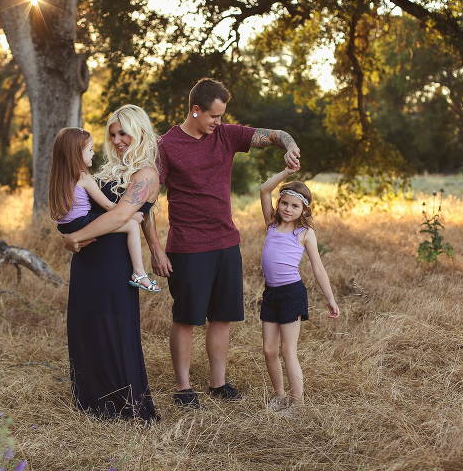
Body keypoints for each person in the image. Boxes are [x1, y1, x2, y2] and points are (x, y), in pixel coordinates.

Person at [142, 78, 303, 409]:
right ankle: (183, 388)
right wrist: (156, 249)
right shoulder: (166, 146)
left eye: (222, 116)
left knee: (221, 316)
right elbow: (147, 204)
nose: (219, 123)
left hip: (226, 242)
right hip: (186, 246)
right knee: (186, 317)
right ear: (195, 110)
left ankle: (219, 383)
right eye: (214, 116)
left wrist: (289, 144)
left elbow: (273, 135)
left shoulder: (226, 135)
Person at [60, 105, 162, 422]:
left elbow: (120, 215)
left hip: (115, 264)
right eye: (113, 134)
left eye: (124, 133)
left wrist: (73, 238)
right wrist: (71, 233)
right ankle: (94, 404)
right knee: (87, 327)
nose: (117, 140)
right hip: (89, 260)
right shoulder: (108, 169)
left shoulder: (146, 174)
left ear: (140, 132)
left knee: (115, 330)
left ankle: (127, 408)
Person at [259, 168, 340, 411]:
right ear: (278, 203)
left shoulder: (304, 233)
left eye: (294, 206)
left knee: (287, 351)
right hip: (271, 294)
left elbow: (318, 268)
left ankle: (298, 403)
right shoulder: (271, 224)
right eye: (284, 203)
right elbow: (264, 189)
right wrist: (287, 171)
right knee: (269, 349)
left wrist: (330, 299)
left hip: (291, 293)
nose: (287, 209)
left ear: (304, 210)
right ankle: (280, 396)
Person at [48, 127, 160, 292]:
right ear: (77, 153)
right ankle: (139, 273)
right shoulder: (83, 176)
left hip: (66, 227)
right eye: (90, 150)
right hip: (82, 224)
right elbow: (108, 206)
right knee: (132, 226)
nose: (93, 153)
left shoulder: (58, 177)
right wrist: (130, 215)